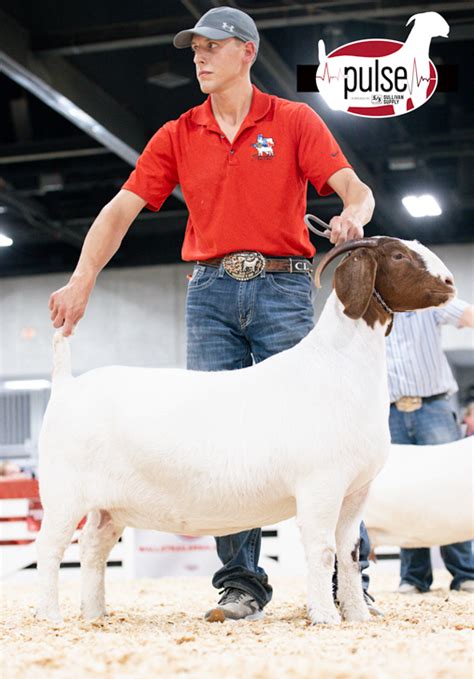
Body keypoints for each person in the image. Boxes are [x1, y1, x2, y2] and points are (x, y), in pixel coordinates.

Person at [48, 6, 377, 620]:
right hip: (209, 294)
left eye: (213, 46)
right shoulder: (177, 133)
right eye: (194, 47)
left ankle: (343, 584)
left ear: (248, 52)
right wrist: (82, 278)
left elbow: (354, 188)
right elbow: (120, 209)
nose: (198, 57)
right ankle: (242, 585)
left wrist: (354, 214)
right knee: (219, 442)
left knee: (320, 436)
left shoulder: (295, 119)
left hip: (283, 287)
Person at [386, 296, 474, 594]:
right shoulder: (370, 310)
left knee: (448, 488)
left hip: (433, 407)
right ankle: (413, 577)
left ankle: (465, 572)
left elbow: (465, 314)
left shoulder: (426, 299)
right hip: (389, 412)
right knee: (404, 493)